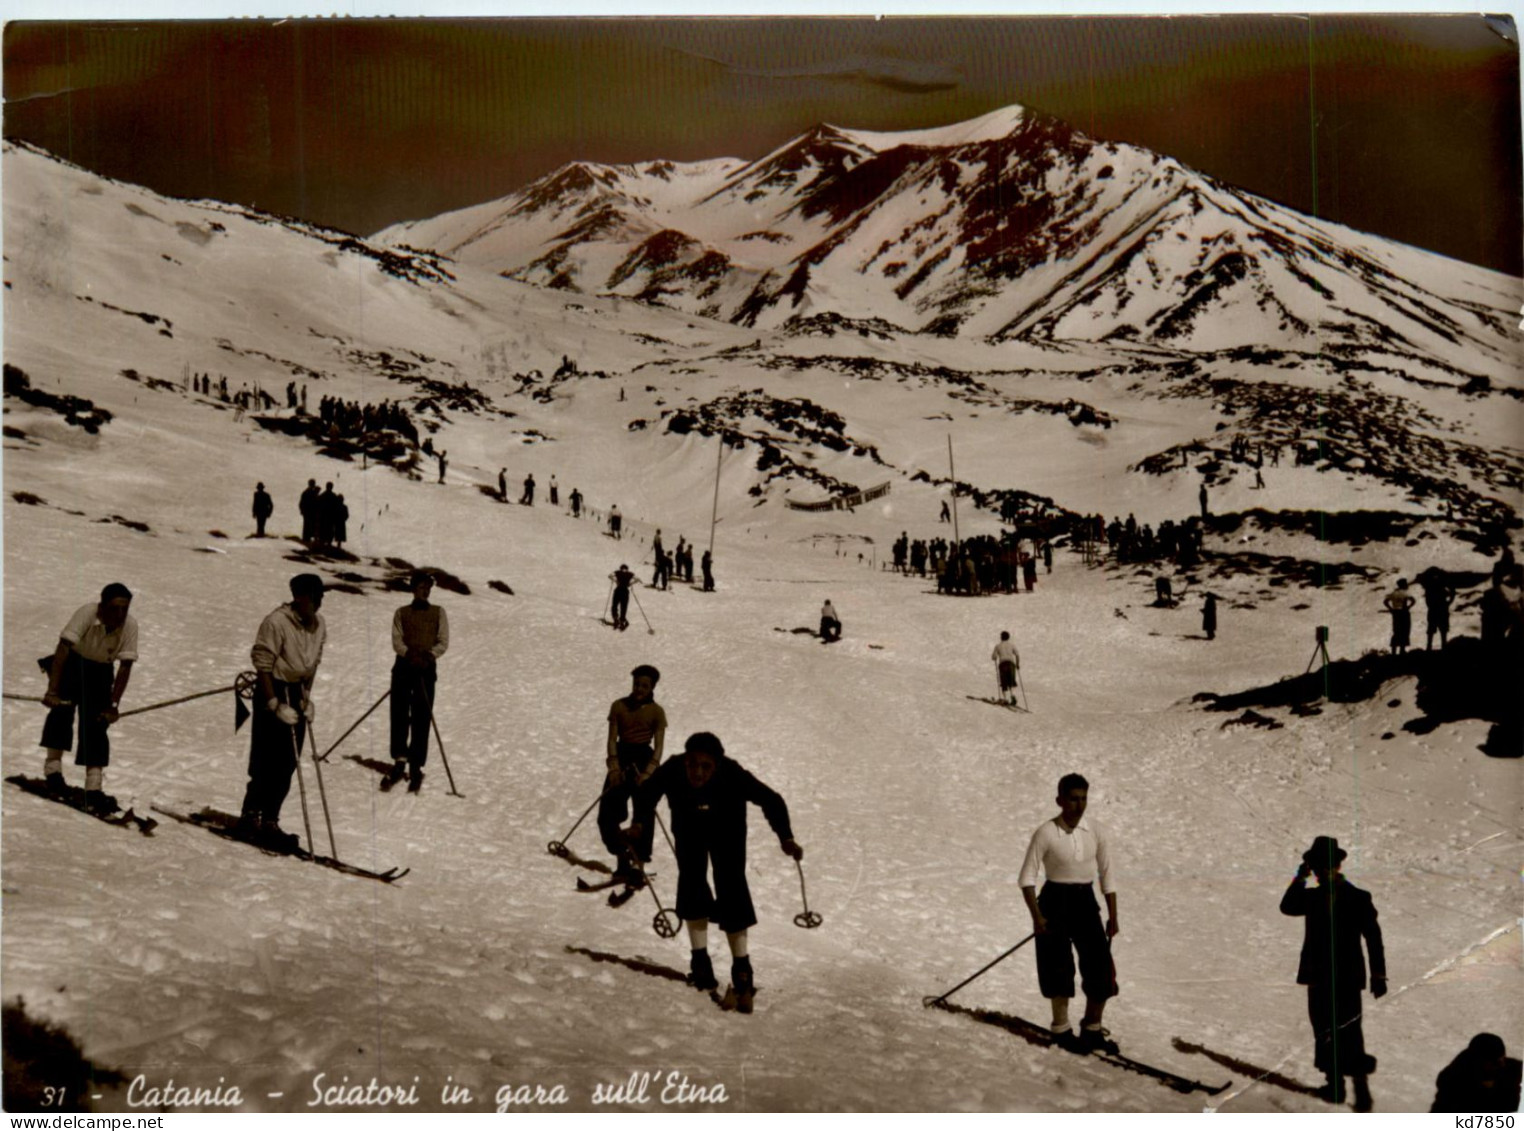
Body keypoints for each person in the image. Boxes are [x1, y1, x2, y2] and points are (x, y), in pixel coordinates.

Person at [628, 732, 802, 1013]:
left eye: (705, 766)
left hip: (727, 830)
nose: (697, 772)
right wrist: (638, 824)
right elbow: (647, 794)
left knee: (731, 887)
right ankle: (700, 963)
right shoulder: (673, 768)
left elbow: (772, 799)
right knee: (692, 883)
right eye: (692, 764)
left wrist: (786, 838)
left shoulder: (731, 773)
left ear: (717, 764)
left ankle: (742, 971)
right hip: (689, 829)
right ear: (685, 760)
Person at [1280, 836, 1386, 1110]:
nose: (1321, 870)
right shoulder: (1313, 897)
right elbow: (1287, 906)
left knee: (1348, 1030)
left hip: (1345, 977)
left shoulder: (1358, 897)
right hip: (1321, 975)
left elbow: (1373, 937)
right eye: (1317, 866)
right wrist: (1299, 877)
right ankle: (1335, 1084)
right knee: (1324, 1029)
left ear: (1337, 865)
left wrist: (1378, 976)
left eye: (1323, 865)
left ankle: (1357, 1091)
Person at [1018, 773, 1119, 1054]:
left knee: (1100, 967)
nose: (1079, 804)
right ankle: (1061, 1031)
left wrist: (1113, 915)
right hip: (1054, 901)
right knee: (1058, 966)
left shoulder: (1096, 831)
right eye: (1073, 799)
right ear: (1060, 800)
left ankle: (1092, 1029)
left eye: (1083, 798)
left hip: (1086, 901)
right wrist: (1037, 917)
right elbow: (1026, 879)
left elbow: (1107, 876)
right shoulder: (1046, 832)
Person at [240, 574, 326, 848]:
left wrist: (306, 698)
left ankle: (270, 820)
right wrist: (274, 704)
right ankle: (250, 817)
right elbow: (263, 663)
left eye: (320, 597)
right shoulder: (276, 622)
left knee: (288, 762)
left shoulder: (318, 625)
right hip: (273, 690)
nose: (318, 603)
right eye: (314, 597)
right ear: (299, 597)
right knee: (265, 760)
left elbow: (313, 663)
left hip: (296, 691)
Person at [38, 583, 139, 811]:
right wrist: (52, 691)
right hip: (71, 664)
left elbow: (124, 667)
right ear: (102, 605)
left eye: (125, 608)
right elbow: (63, 650)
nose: (120, 614)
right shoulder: (87, 613)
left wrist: (113, 705)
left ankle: (93, 788)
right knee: (61, 713)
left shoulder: (130, 625)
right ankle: (53, 772)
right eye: (115, 608)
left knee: (97, 723)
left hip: (101, 672)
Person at [597, 665, 667, 884]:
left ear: (652, 687)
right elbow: (611, 740)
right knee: (607, 814)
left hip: (645, 762)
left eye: (644, 685)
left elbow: (658, 747)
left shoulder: (657, 712)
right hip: (622, 758)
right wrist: (614, 767)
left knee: (644, 815)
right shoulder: (619, 706)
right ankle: (622, 859)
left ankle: (639, 866)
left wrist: (648, 773)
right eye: (636, 684)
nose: (639, 688)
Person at [384, 572, 450, 793]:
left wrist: (429, 656)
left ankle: (416, 765)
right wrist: (408, 654)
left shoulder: (438, 612)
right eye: (421, 587)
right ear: (413, 589)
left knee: (422, 715)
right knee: (400, 713)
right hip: (403, 668)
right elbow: (397, 640)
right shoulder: (401, 613)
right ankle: (399, 760)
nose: (425, 591)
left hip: (425, 670)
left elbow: (443, 641)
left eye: (428, 587)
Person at [1432, 1033, 1522, 1112]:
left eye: (1502, 1059)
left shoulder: (1515, 1070)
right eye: (1495, 1062)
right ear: (1478, 1061)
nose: (1502, 1065)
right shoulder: (1452, 1082)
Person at [1419, 568, 1455, 650]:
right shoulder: (1443, 586)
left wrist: (1430, 606)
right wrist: (1449, 603)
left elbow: (1427, 600)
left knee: (1432, 629)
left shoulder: (1429, 587)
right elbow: (1452, 592)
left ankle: (1429, 647)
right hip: (1442, 608)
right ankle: (1443, 646)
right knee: (1443, 629)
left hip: (1433, 609)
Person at [1383, 579, 1416, 655]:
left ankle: (1393, 651)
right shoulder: (1405, 593)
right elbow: (1413, 600)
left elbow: (1385, 602)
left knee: (1397, 630)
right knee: (1404, 630)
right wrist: (1408, 607)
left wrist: (1391, 609)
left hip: (1396, 612)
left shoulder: (1394, 593)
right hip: (1404, 612)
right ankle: (1402, 650)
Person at [991, 631, 1021, 705]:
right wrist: (1017, 664)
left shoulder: (998, 646)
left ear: (1001, 637)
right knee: (1011, 681)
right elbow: (1017, 655)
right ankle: (1012, 696)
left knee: (1003, 682)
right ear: (1008, 637)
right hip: (1011, 664)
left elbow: (993, 657)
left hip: (1003, 664)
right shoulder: (1012, 645)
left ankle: (1005, 698)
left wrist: (995, 657)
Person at [610, 564, 635, 631]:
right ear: (627, 569)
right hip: (625, 592)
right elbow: (637, 579)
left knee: (614, 605)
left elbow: (610, 575)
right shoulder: (630, 574)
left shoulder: (618, 572)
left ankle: (615, 617)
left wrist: (616, 581)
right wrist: (631, 584)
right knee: (623, 607)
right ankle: (622, 620)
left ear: (621, 568)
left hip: (618, 591)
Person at [299, 479, 320, 543]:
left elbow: (301, 503)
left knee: (306, 525)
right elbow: (316, 502)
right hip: (312, 512)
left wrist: (302, 510)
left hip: (306, 511)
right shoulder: (313, 493)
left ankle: (306, 538)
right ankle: (308, 538)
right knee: (311, 525)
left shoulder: (305, 492)